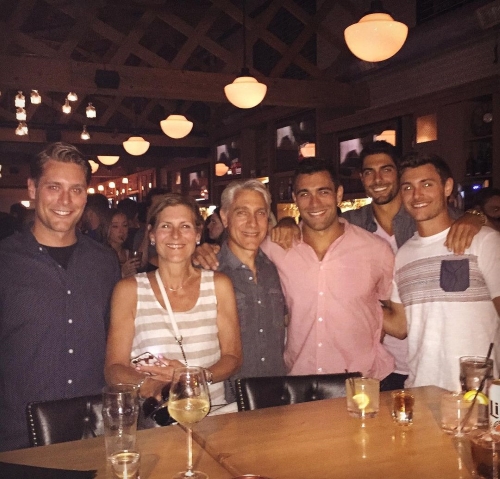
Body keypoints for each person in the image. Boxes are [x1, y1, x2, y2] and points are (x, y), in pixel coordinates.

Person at [195, 159, 395, 385]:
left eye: (323, 192)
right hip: (295, 385)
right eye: (304, 194)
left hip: (361, 381)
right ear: (295, 199)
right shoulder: (274, 249)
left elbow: (397, 318)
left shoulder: (376, 249)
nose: (314, 202)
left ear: (339, 195)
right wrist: (200, 252)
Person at [0, 142, 121, 451]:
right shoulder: (5, 261)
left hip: (94, 434)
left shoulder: (105, 261)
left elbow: (116, 339)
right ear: (32, 188)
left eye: (76, 190)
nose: (65, 200)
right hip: (19, 439)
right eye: (54, 187)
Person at [342, 141, 485, 389]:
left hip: (436, 364)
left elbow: (482, 232)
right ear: (362, 179)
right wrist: (288, 222)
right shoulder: (350, 225)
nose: (377, 179)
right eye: (368, 172)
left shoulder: (427, 214)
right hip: (379, 362)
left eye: (386, 169)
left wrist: (477, 216)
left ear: (399, 173)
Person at [104, 194, 242, 409]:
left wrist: (193, 378)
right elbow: (114, 368)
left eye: (185, 226)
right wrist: (151, 386)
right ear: (152, 234)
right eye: (166, 226)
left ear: (197, 235)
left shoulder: (219, 285)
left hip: (213, 414)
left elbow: (232, 357)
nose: (175, 235)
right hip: (157, 421)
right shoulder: (129, 290)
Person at [383, 152, 500, 391]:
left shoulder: (483, 240)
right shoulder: (403, 255)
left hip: (477, 396)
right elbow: (399, 326)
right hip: (421, 390)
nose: (417, 195)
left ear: (447, 187)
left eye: (426, 184)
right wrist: (355, 298)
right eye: (408, 187)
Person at [217, 180, 287, 402]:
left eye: (260, 213)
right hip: (227, 403)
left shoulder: (278, 267)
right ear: (224, 217)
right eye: (242, 213)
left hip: (277, 397)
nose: (252, 223)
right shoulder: (208, 272)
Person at [105, 209, 140, 278]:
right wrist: (122, 274)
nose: (121, 231)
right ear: (107, 228)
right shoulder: (102, 255)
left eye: (125, 225)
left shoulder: (129, 254)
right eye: (115, 226)